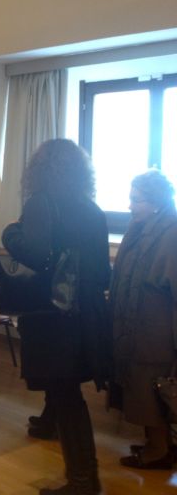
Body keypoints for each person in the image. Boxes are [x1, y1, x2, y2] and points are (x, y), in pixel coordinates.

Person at [1, 139, 110, 495]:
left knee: (66, 397)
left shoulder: (41, 203)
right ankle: (78, 469)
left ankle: (83, 481)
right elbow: (102, 273)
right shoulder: (92, 209)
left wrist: (10, 232)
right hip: (85, 316)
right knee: (66, 392)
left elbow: (34, 254)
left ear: (40, 169)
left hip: (53, 318)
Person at [111, 170, 177, 470]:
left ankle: (159, 451)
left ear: (155, 202)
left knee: (155, 391)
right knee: (142, 389)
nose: (129, 206)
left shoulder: (171, 234)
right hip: (138, 327)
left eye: (135, 200)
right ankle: (156, 445)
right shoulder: (141, 227)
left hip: (157, 331)